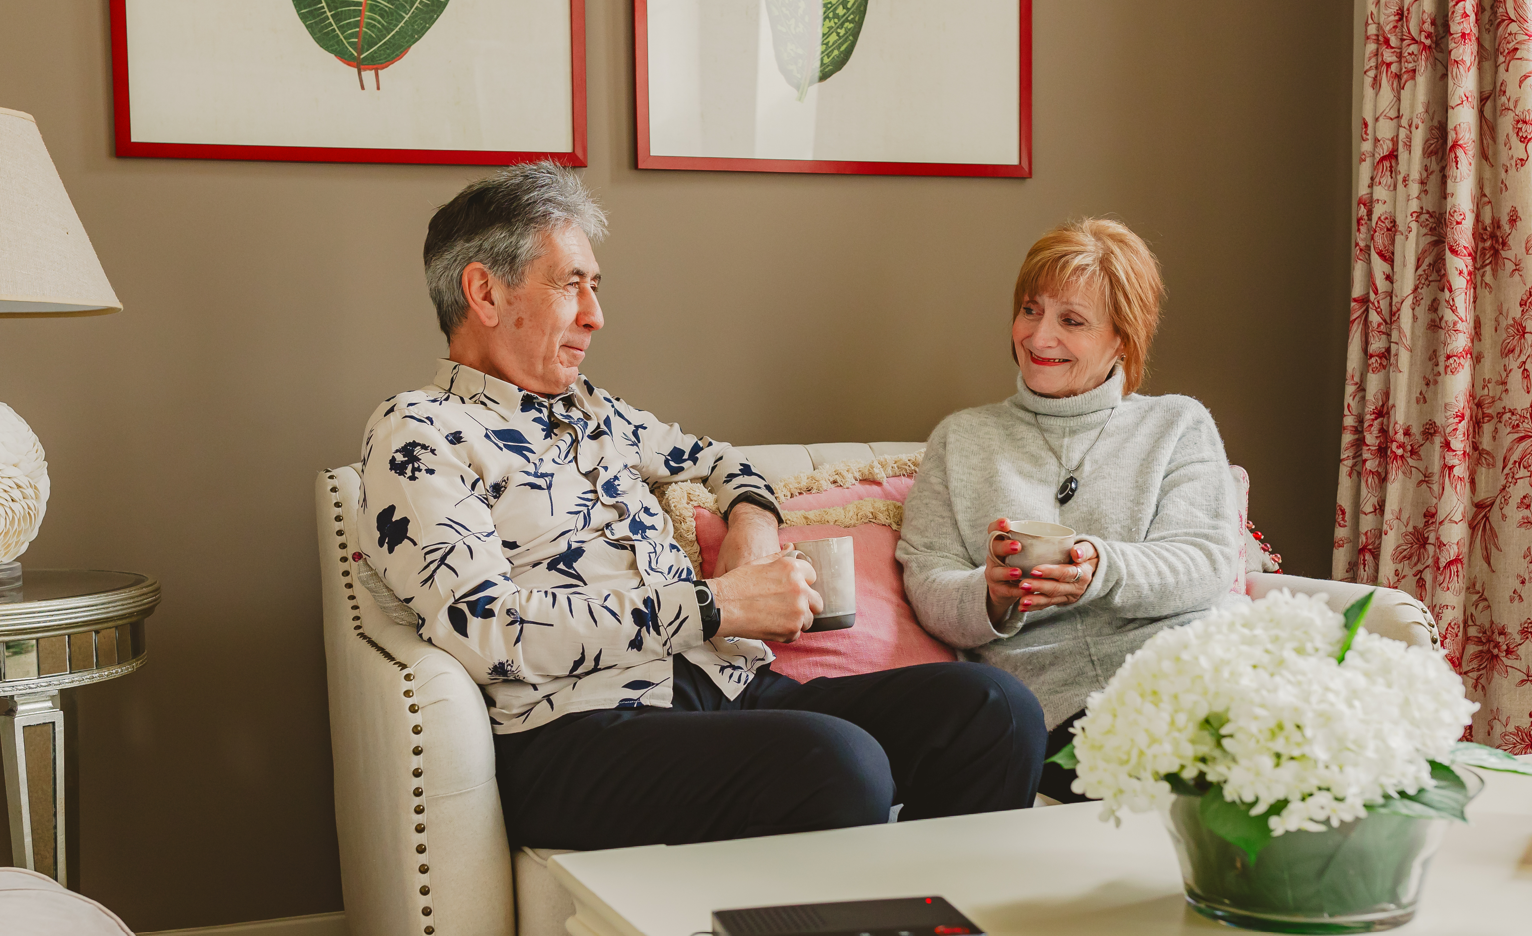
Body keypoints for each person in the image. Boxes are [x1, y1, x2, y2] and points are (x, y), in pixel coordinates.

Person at [356, 162, 1045, 851]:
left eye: (595, 286)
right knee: (836, 761)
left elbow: (722, 462)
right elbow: (489, 630)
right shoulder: (419, 431)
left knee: (995, 712)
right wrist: (717, 605)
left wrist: (752, 523)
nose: (596, 314)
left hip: (723, 687)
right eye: (572, 284)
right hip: (575, 731)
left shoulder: (596, 411)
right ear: (485, 291)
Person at [898, 218, 1242, 803]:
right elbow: (927, 576)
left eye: (1072, 321)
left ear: (1123, 340)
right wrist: (992, 593)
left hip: (1186, 676)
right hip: (1053, 708)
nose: (1039, 337)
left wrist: (1099, 569)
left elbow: (1207, 560)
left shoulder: (1176, 425)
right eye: (1030, 310)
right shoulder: (962, 439)